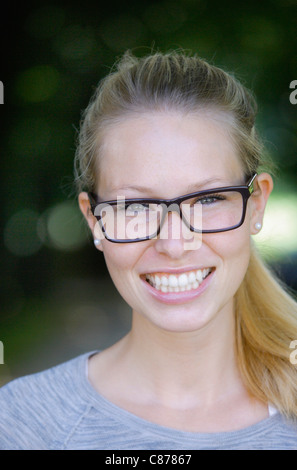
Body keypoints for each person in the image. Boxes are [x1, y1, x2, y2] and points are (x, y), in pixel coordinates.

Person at [1, 50, 297, 450]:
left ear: (256, 204)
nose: (174, 244)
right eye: (134, 207)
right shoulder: (22, 423)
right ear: (94, 220)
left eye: (208, 199)